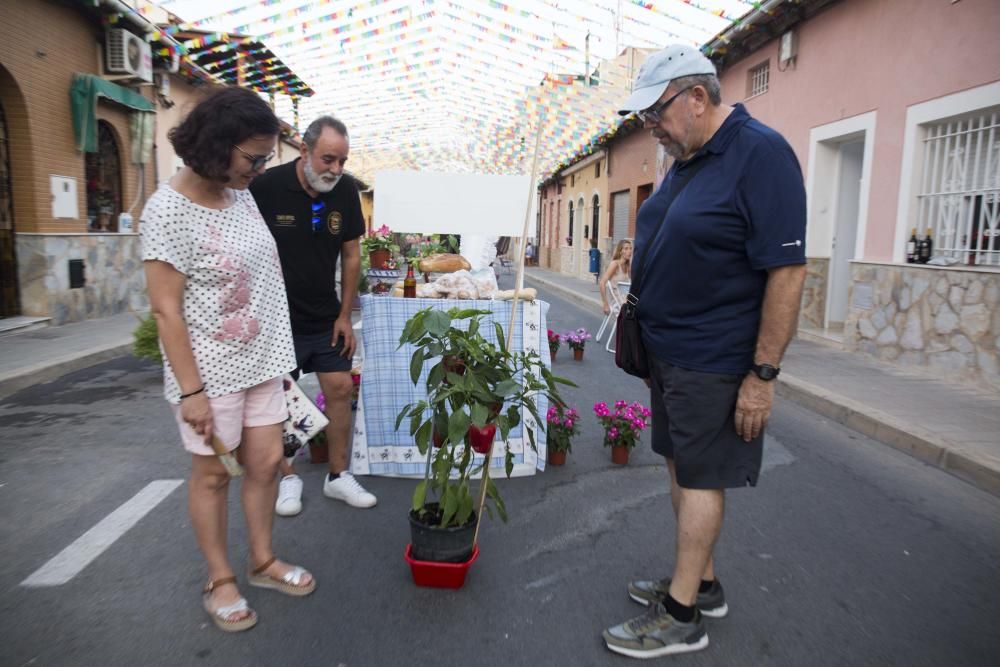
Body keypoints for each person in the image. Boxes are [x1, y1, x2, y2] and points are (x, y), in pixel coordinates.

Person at [602, 44, 807, 659]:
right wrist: (637, 254)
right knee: (679, 467)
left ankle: (683, 614)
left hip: (712, 357)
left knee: (698, 479)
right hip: (668, 351)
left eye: (656, 113)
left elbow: (788, 273)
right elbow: (685, 230)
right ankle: (704, 581)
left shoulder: (760, 154)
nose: (651, 127)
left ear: (696, 97)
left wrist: (763, 375)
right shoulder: (687, 157)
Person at [141, 87, 316, 633]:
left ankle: (262, 560)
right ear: (217, 146)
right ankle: (219, 580)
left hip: (264, 362)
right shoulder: (167, 209)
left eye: (266, 158)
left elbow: (260, 276)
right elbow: (167, 310)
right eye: (253, 157)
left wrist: (283, 360)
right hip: (211, 374)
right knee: (214, 476)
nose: (261, 168)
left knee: (265, 466)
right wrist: (190, 393)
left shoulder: (240, 196)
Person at [250, 116, 376, 515]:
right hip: (275, 319)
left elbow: (351, 253)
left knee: (340, 388)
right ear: (304, 151)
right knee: (278, 399)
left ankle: (338, 476)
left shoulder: (345, 192)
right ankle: (287, 477)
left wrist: (344, 314)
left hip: (325, 317)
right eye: (328, 159)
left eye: (342, 161)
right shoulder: (265, 187)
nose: (336, 170)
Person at [598, 239, 633, 314]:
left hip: (626, 300)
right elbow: (602, 283)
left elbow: (630, 285)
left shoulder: (628, 266)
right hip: (617, 302)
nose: (629, 251)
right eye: (626, 248)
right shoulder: (615, 264)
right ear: (620, 251)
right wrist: (605, 304)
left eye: (630, 248)